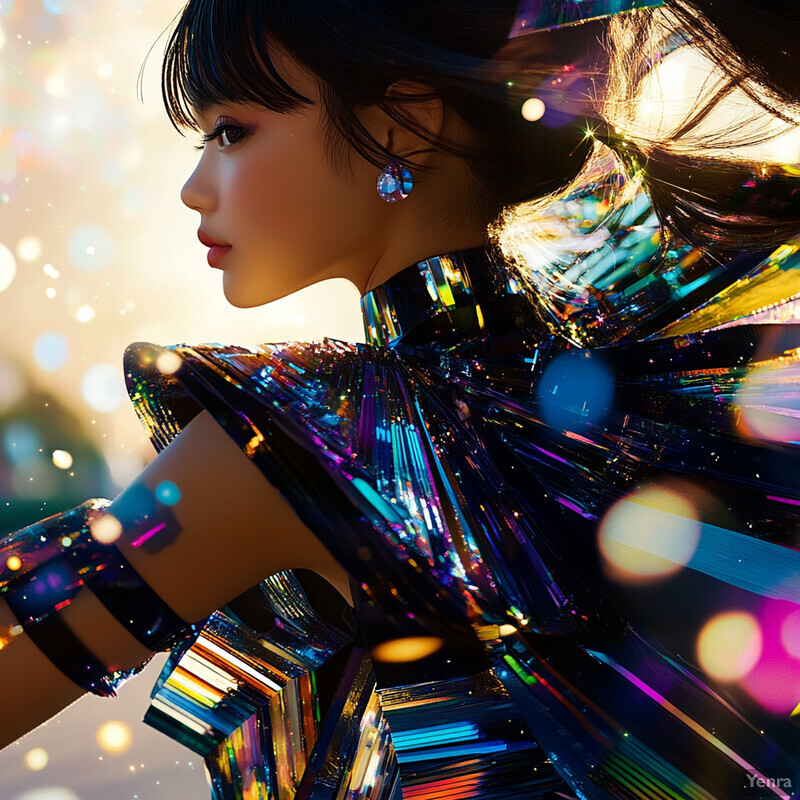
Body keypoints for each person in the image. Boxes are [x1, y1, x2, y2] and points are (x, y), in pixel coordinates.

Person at [2, 0, 800, 797]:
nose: (193, 188)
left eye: (231, 131)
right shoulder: (629, 407)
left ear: (400, 127)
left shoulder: (317, 437)